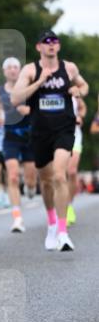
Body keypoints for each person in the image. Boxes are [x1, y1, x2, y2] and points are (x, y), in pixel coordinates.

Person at [11, 30, 89, 251]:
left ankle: (63, 233)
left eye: (54, 41)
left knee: (59, 175)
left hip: (64, 129)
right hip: (40, 132)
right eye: (46, 42)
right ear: (39, 47)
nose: (51, 45)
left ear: (59, 46)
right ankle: (52, 223)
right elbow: (15, 98)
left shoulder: (69, 68)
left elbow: (85, 86)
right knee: (45, 182)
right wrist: (39, 82)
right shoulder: (30, 70)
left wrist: (78, 90)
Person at [0, 57, 37, 233]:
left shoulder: (28, 88)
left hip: (29, 136)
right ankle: (17, 218)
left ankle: (31, 187)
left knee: (31, 178)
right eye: (9, 67)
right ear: (4, 71)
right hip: (10, 137)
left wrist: (29, 110)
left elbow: (39, 107)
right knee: (12, 176)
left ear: (20, 70)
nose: (12, 70)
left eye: (15, 67)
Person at [66, 94, 86, 224]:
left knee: (72, 172)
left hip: (74, 136)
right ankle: (59, 207)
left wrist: (80, 115)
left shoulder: (73, 92)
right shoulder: (48, 90)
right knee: (59, 174)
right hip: (55, 136)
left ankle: (69, 206)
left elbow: (82, 107)